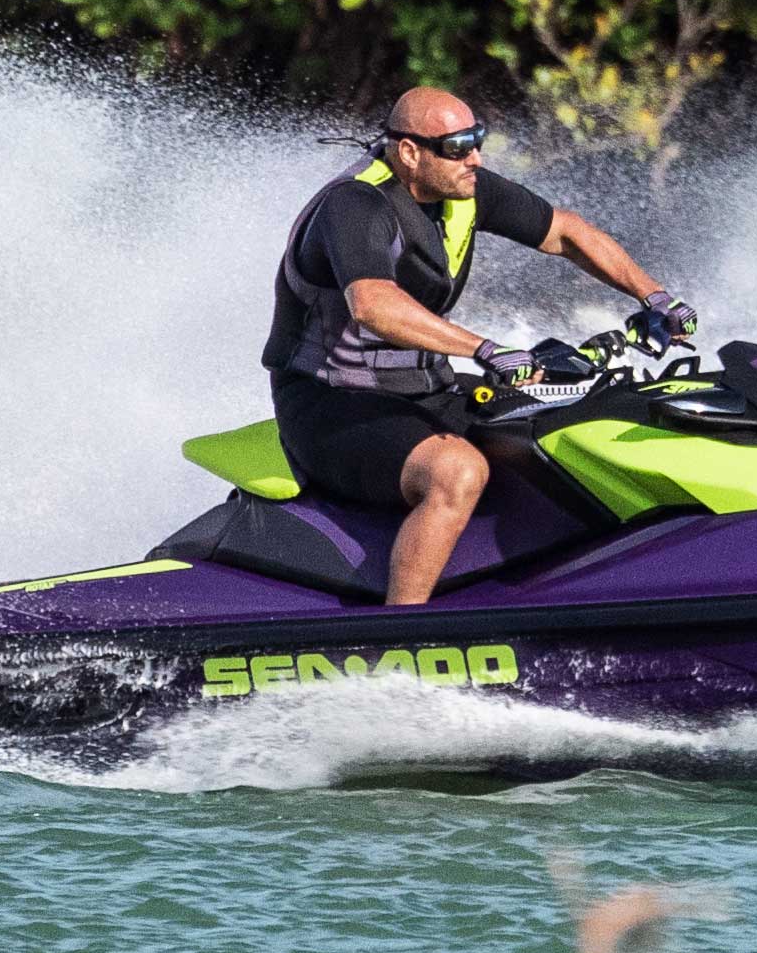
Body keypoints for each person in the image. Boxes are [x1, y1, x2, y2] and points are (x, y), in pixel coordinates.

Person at [263, 87, 695, 605]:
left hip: (421, 388)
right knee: (457, 471)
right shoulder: (354, 204)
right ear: (409, 153)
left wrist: (655, 296)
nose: (475, 157)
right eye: (458, 146)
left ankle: (577, 587)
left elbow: (568, 232)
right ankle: (399, 635)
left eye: (477, 140)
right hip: (329, 403)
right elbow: (373, 306)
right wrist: (485, 349)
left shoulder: (463, 189)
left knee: (561, 424)